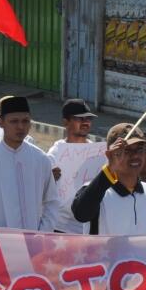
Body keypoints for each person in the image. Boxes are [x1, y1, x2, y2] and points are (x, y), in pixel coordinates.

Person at [0, 96, 60, 231]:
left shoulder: (41, 159)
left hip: (34, 243)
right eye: (14, 121)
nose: (20, 127)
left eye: (25, 121)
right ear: (0, 123)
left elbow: (52, 202)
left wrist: (42, 233)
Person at [71, 123, 146, 235]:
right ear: (111, 154)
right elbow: (81, 214)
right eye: (126, 150)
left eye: (140, 149)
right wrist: (109, 169)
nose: (136, 156)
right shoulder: (95, 191)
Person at [47, 99, 99, 233]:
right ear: (65, 122)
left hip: (89, 226)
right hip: (61, 228)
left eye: (88, 119)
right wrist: (48, 178)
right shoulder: (56, 153)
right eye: (79, 119)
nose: (86, 122)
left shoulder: (98, 153)